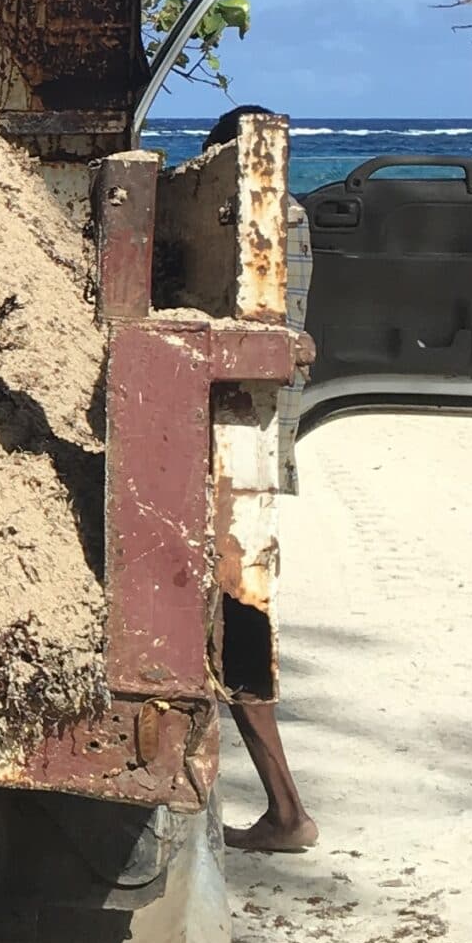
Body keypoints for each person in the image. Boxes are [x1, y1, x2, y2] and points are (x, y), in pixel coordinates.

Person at [204, 102, 320, 853]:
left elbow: (265, 335)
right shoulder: (297, 223)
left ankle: (287, 812)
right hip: (262, 441)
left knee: (238, 629)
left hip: (242, 446)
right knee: (236, 622)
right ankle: (283, 811)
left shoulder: (264, 228)